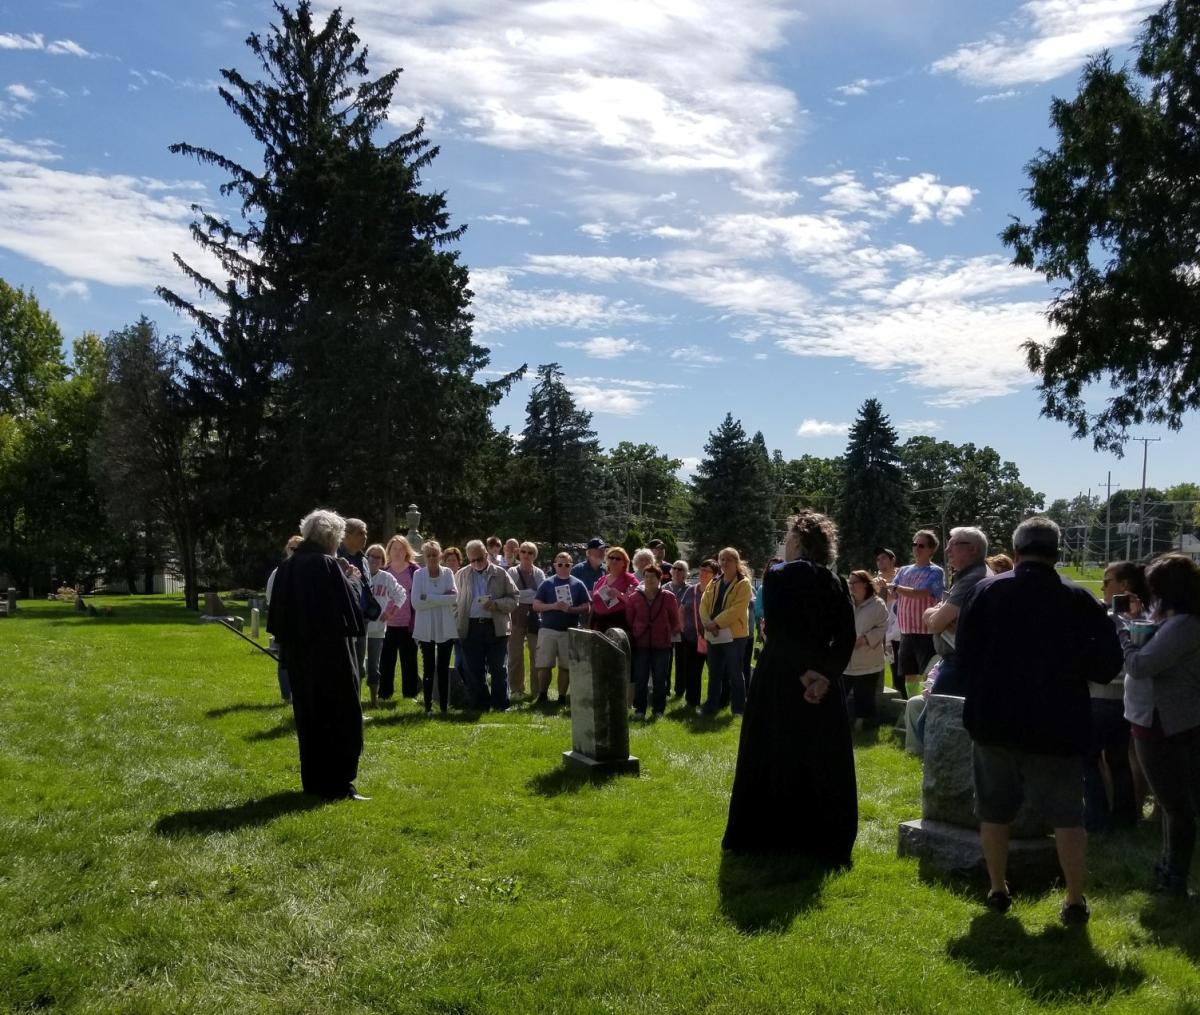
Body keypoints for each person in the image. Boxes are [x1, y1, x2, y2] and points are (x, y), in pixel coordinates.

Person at [958, 517, 1123, 923]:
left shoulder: (986, 592)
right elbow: (1107, 665)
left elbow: (965, 659)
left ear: (1015, 553)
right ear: (1057, 553)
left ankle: (998, 889)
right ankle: (1074, 899)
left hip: (995, 721)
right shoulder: (1079, 600)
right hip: (1059, 724)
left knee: (994, 811)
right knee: (1068, 816)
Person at [722, 511, 857, 862]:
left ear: (797, 541)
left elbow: (779, 632)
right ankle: (819, 837)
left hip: (782, 678)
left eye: (787, 538)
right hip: (823, 682)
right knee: (819, 755)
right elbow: (845, 638)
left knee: (775, 748)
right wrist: (824, 676)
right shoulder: (836, 581)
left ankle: (769, 834)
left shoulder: (780, 575)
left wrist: (802, 674)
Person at [266, 509, 367, 801]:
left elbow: (278, 616)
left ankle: (313, 782)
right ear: (332, 538)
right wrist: (352, 579)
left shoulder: (288, 566)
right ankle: (339, 784)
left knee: (309, 717)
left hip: (300, 656)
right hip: (331, 655)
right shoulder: (326, 564)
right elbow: (350, 611)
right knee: (341, 715)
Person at [1121, 553, 1200, 897]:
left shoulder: (1185, 624)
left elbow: (1142, 665)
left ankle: (1175, 877)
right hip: (1161, 718)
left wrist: (1124, 635)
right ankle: (1169, 867)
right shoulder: (1175, 619)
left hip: (1165, 722)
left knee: (1176, 805)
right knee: (1175, 804)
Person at [1084, 561, 1145, 833]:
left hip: (1100, 696)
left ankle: (1096, 820)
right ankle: (1125, 819)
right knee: (1118, 760)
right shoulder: (1145, 616)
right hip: (1127, 698)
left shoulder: (1106, 618)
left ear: (1125, 586)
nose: (1102, 586)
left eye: (1107, 582)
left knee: (1088, 758)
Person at [923, 527, 991, 696]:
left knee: (936, 721)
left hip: (959, 665)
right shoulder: (969, 575)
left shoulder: (973, 579)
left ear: (973, 548)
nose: (947, 550)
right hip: (960, 663)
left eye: (952, 545)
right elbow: (940, 620)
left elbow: (936, 624)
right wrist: (937, 614)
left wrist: (934, 615)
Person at [454, 539, 518, 710]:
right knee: (473, 669)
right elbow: (454, 603)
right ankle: (480, 703)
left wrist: (496, 604)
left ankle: (500, 704)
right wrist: (456, 622)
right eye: (472, 560)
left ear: (486, 555)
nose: (477, 563)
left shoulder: (501, 573)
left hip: (495, 626)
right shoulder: (461, 574)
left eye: (480, 559)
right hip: (470, 627)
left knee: (498, 667)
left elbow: (514, 599)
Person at [699, 548, 754, 717]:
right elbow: (703, 604)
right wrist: (708, 622)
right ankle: (711, 707)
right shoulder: (714, 582)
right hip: (713, 634)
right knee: (714, 673)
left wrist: (716, 623)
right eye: (722, 559)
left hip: (734, 637)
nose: (724, 563)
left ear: (736, 562)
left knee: (735, 673)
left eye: (729, 560)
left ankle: (738, 708)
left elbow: (737, 609)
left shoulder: (743, 583)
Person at [890, 531, 945, 699]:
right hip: (906, 632)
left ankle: (925, 704)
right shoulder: (904, 570)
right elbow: (894, 595)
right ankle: (912, 704)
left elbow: (920, 593)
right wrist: (885, 586)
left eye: (921, 545)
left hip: (926, 632)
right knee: (909, 673)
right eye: (914, 544)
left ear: (931, 549)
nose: (916, 548)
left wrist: (893, 587)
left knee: (927, 673)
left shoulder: (935, 571)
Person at [531, 551, 591, 704]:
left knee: (565, 667)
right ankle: (542, 695)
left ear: (571, 566)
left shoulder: (578, 584)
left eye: (567, 564)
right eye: (560, 564)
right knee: (544, 665)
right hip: (547, 629)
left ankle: (562, 698)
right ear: (554, 566)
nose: (563, 567)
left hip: (568, 630)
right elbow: (536, 605)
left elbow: (587, 606)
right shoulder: (547, 583)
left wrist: (571, 610)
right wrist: (553, 606)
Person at [626, 566, 682, 719]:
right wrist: (638, 631)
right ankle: (640, 710)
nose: (650, 579)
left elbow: (675, 620)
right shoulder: (634, 598)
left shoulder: (668, 597)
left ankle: (658, 710)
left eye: (653, 577)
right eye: (647, 576)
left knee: (660, 679)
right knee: (641, 679)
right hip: (641, 644)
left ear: (660, 578)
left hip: (662, 645)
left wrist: (666, 631)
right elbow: (629, 621)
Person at [412, 540, 458, 715]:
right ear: (425, 557)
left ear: (440, 556)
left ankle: (445, 707)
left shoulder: (447, 573)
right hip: (426, 627)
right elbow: (416, 602)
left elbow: (453, 598)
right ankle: (428, 706)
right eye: (428, 555)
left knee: (444, 667)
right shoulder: (418, 575)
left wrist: (429, 597)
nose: (432, 558)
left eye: (434, 555)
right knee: (428, 667)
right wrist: (440, 598)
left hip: (445, 626)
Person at [364, 543, 407, 709]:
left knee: (374, 666)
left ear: (383, 560)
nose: (374, 560)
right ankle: (356, 699)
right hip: (358, 628)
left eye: (378, 557)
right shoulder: (358, 575)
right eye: (371, 556)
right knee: (358, 667)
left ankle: (374, 702)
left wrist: (390, 613)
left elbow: (401, 594)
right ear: (366, 558)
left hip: (377, 628)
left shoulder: (386, 578)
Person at [844, 569, 888, 730]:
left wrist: (865, 639)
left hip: (868, 657)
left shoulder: (877, 604)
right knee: (842, 690)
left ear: (865, 584)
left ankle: (861, 724)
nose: (851, 586)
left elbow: (882, 626)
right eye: (850, 582)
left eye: (855, 582)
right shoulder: (847, 603)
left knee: (864, 693)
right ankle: (842, 721)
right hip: (847, 658)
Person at [379, 535, 420, 700]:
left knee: (409, 661)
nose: (397, 552)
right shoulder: (384, 571)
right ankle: (384, 693)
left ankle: (410, 694)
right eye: (394, 549)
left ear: (407, 551)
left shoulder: (414, 570)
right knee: (386, 661)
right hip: (386, 624)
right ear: (389, 551)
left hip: (408, 624)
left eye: (401, 548)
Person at [265, 534, 303, 704]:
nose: (294, 551)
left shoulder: (306, 569)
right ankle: (287, 696)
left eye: (298, 548)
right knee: (284, 661)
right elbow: (270, 597)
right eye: (291, 548)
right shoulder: (279, 571)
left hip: (303, 623)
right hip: (285, 623)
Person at [507, 541, 545, 700]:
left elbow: (541, 595)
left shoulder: (539, 573)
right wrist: (530, 593)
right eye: (523, 551)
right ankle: (516, 689)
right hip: (515, 618)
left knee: (536, 655)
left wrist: (523, 594)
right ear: (519, 553)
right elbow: (511, 594)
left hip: (535, 619)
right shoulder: (512, 572)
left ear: (534, 556)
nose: (526, 555)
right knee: (515, 656)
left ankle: (537, 691)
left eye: (530, 552)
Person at [338, 517, 372, 685]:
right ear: (346, 535)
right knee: (344, 665)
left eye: (365, 533)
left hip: (362, 619)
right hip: (343, 620)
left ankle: (355, 708)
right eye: (360, 533)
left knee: (359, 665)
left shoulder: (363, 559)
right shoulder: (335, 558)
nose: (365, 536)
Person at [678, 560, 713, 708]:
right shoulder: (691, 590)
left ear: (715, 574)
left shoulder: (715, 591)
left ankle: (714, 702)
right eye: (701, 569)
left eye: (707, 570)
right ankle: (692, 701)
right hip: (691, 637)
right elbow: (681, 609)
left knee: (715, 672)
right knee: (692, 671)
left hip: (713, 638)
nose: (703, 573)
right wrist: (683, 628)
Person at [590, 547, 638, 632]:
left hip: (617, 623)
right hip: (598, 623)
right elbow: (593, 601)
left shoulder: (629, 579)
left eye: (618, 558)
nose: (614, 560)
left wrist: (619, 594)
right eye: (611, 558)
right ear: (607, 561)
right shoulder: (601, 580)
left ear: (624, 562)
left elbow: (636, 600)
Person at [875, 547, 902, 698]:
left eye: (884, 558)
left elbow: (898, 596)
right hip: (885, 629)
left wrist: (887, 587)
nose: (880, 562)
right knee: (889, 665)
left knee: (901, 668)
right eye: (878, 559)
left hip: (900, 628)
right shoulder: (875, 581)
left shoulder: (901, 577)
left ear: (893, 560)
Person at [667, 561, 690, 697]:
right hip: (667, 629)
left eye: (680, 569)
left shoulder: (689, 589)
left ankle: (680, 690)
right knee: (666, 660)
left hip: (683, 629)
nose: (676, 571)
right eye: (674, 568)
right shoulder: (664, 587)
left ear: (685, 574)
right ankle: (665, 688)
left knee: (682, 660)